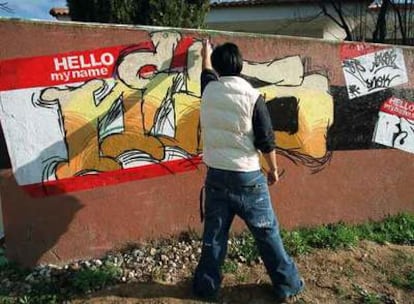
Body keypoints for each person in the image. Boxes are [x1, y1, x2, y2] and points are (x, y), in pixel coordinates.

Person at [193, 40, 304, 302]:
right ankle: (287, 284)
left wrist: (204, 54)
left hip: (216, 176)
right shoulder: (253, 97)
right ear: (240, 64)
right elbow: (266, 139)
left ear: (219, 67)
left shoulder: (209, 90)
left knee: (214, 235)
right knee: (267, 233)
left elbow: (206, 71)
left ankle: (205, 287)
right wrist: (273, 170)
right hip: (248, 178)